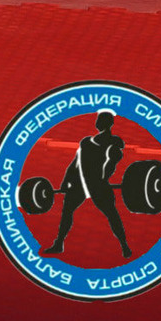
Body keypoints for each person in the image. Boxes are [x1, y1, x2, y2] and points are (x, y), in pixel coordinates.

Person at [47, 110, 132, 260]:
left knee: (112, 215)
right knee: (67, 211)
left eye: (99, 120)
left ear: (106, 123)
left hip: (97, 184)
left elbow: (111, 164)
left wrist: (102, 179)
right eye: (97, 119)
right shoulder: (86, 141)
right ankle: (59, 243)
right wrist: (66, 181)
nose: (97, 122)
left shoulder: (113, 143)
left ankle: (124, 246)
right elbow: (76, 163)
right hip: (81, 183)